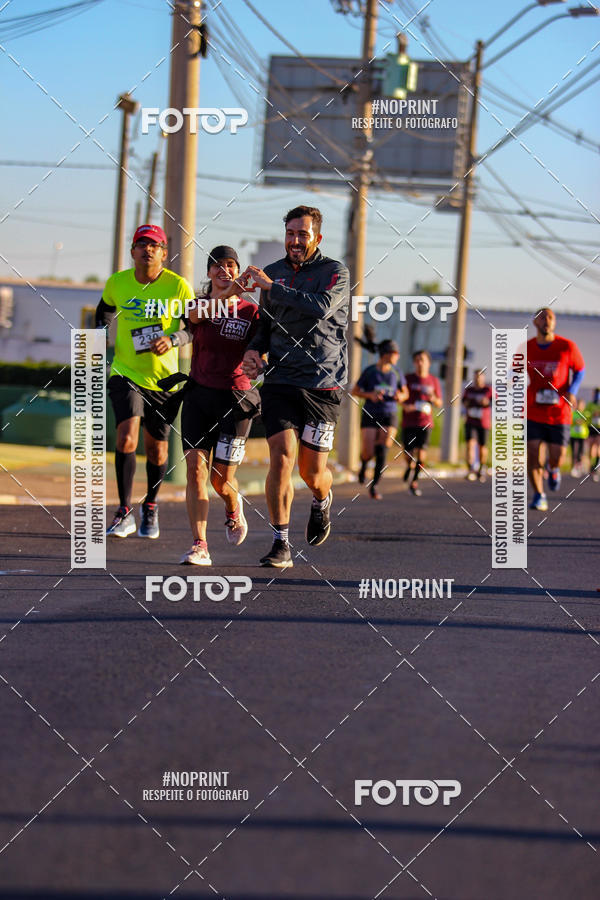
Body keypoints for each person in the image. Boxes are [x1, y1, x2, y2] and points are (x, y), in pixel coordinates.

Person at [241, 205, 349, 568]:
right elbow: (265, 326)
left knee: (312, 473)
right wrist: (254, 351)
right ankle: (280, 542)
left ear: (317, 237)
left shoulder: (335, 272)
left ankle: (322, 500)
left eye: (302, 234)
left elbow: (320, 307)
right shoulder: (272, 274)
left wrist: (273, 287)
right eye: (290, 233)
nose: (295, 240)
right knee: (282, 458)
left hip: (322, 383)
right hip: (282, 379)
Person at [96, 224, 192, 538]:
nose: (147, 250)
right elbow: (104, 311)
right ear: (133, 251)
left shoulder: (178, 287)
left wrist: (173, 340)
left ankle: (150, 505)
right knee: (126, 437)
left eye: (154, 245)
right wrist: (100, 338)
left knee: (158, 451)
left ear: (164, 253)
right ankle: (123, 510)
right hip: (125, 372)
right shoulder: (118, 282)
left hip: (164, 382)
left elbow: (193, 328)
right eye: (142, 244)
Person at [179, 246, 260, 566]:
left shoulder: (250, 312)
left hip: (236, 400)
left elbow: (259, 350)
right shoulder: (199, 305)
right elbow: (195, 316)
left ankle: (232, 505)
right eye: (218, 266)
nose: (224, 270)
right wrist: (226, 295)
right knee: (195, 471)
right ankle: (200, 545)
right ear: (209, 272)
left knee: (220, 480)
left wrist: (257, 363)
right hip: (199, 395)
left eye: (231, 265)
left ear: (238, 271)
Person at [526, 307, 585, 511]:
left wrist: (574, 391)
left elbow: (580, 370)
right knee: (532, 452)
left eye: (550, 318)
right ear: (535, 323)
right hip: (534, 410)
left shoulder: (566, 346)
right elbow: (513, 373)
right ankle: (539, 495)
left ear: (555, 322)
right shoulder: (527, 348)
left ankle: (554, 469)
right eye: (542, 318)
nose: (547, 321)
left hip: (559, 412)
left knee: (557, 455)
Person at [351, 339, 407, 500]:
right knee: (368, 451)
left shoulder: (396, 372)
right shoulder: (369, 371)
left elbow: (405, 393)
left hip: (389, 414)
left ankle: (374, 485)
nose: (398, 356)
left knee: (382, 448)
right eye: (395, 353)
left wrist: (400, 396)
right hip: (370, 413)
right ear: (386, 354)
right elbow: (355, 391)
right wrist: (370, 395)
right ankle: (363, 466)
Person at [401, 350, 442, 497]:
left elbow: (439, 402)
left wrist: (433, 398)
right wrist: (406, 406)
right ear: (414, 362)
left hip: (425, 423)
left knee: (422, 456)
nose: (420, 363)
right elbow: (400, 396)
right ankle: (408, 467)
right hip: (409, 422)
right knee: (408, 454)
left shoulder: (433, 381)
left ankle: (414, 481)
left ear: (428, 363)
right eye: (417, 360)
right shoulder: (407, 378)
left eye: (423, 360)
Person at [462, 368, 492, 482]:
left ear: (483, 378)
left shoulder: (488, 390)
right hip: (470, 421)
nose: (477, 379)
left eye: (479, 376)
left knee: (482, 447)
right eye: (475, 376)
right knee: (470, 444)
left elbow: (495, 401)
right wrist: (468, 403)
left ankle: (481, 468)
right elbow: (464, 402)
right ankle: (470, 469)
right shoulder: (469, 390)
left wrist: (486, 402)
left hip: (483, 423)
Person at [569, 399, 589, 478]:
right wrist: (575, 422)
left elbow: (589, 421)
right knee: (574, 452)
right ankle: (573, 467)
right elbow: (570, 422)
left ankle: (580, 466)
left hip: (582, 436)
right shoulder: (573, 413)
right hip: (573, 435)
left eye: (582, 405)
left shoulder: (586, 414)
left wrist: (582, 420)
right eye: (579, 404)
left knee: (581, 452)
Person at [586, 388, 600, 482]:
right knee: (591, 449)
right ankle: (592, 465)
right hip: (591, 427)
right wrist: (592, 414)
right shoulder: (590, 404)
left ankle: (596, 467)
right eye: (596, 393)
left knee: (598, 447)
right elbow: (586, 414)